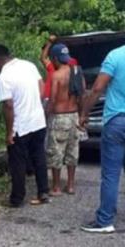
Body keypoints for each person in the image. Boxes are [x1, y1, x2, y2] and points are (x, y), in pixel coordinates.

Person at [0, 44, 49, 207]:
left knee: (17, 163)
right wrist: (35, 103)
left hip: (20, 126)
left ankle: (17, 198)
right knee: (39, 157)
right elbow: (42, 87)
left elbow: (8, 106)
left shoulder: (4, 77)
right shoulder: (29, 65)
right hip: (38, 121)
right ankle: (43, 192)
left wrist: (9, 133)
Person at [80, 45, 125, 233]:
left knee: (111, 174)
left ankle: (105, 220)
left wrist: (84, 113)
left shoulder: (115, 55)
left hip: (117, 121)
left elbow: (98, 88)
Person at [46, 43, 85, 196]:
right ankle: (70, 185)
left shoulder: (57, 75)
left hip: (59, 117)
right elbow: (82, 95)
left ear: (55, 58)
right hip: (74, 115)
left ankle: (56, 187)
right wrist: (82, 116)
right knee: (72, 151)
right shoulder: (77, 72)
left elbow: (53, 99)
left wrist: (46, 114)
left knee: (55, 151)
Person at [40, 35, 78, 103]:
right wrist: (50, 43)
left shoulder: (71, 63)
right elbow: (43, 58)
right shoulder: (52, 66)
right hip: (48, 97)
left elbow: (43, 58)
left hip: (56, 99)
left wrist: (49, 42)